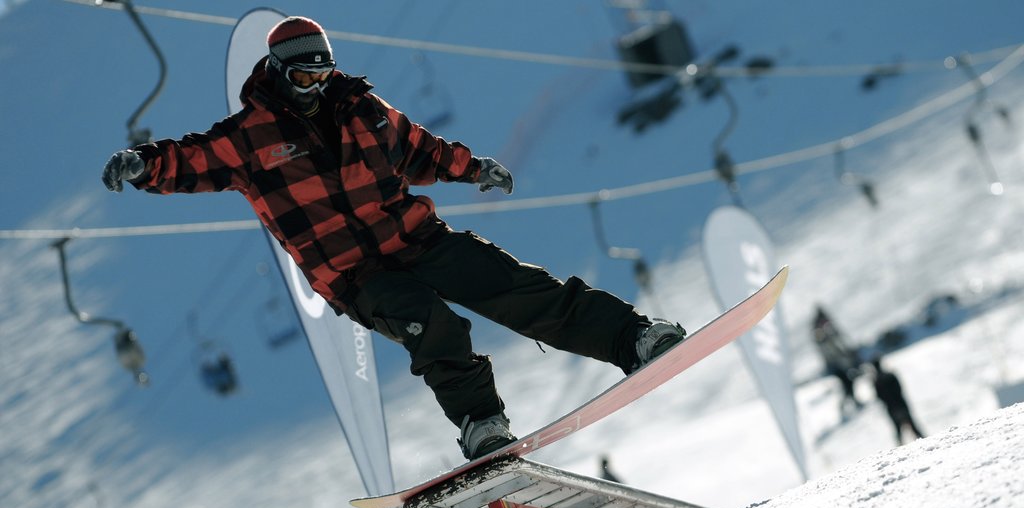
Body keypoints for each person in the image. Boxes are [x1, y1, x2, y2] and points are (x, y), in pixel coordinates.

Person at [101, 16, 686, 460]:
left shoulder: (362, 109)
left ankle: (632, 339)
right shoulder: (251, 136)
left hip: (418, 238)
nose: (316, 84)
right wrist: (141, 165)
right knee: (431, 324)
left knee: (515, 287)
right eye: (305, 76)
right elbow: (189, 159)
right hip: (356, 275)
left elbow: (419, 150)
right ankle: (481, 423)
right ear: (280, 72)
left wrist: (472, 168)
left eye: (323, 72)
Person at [811, 305, 863, 418]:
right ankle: (846, 405)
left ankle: (847, 404)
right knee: (847, 382)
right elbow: (825, 346)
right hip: (834, 364)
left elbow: (838, 339)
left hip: (840, 361)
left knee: (848, 383)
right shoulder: (819, 332)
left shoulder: (826, 329)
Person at [869, 357, 925, 445]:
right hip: (901, 404)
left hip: (891, 408)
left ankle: (899, 449)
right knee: (913, 426)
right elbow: (899, 389)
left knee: (898, 430)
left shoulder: (876, 381)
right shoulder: (890, 375)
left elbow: (879, 397)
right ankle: (925, 442)